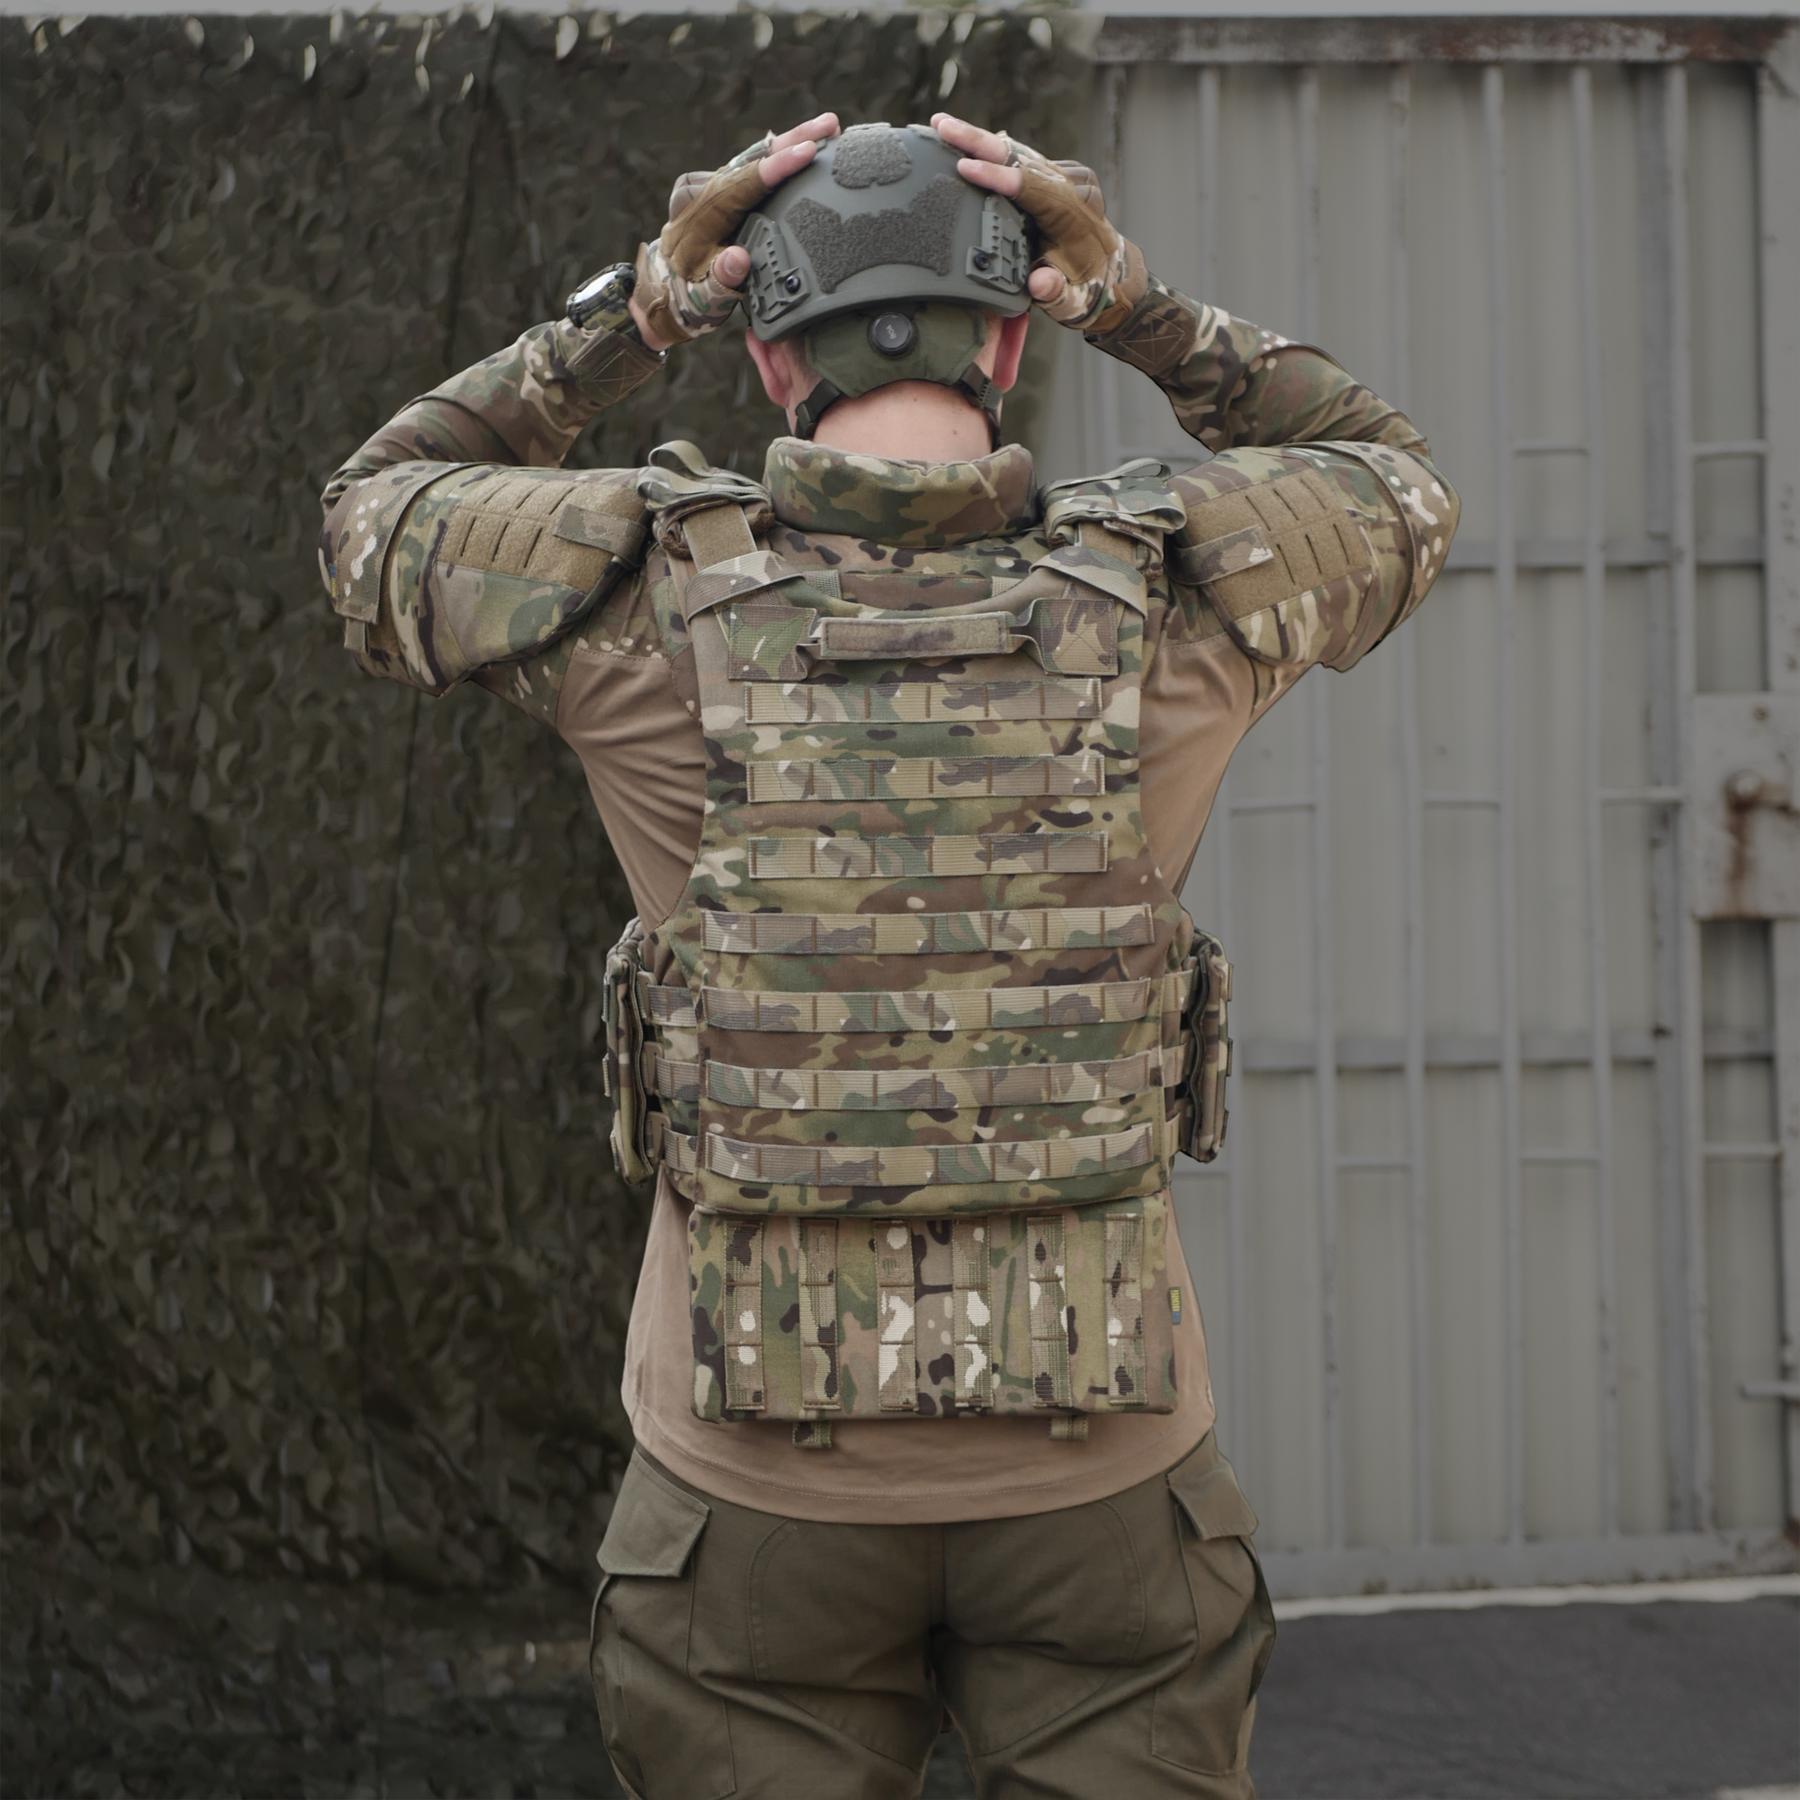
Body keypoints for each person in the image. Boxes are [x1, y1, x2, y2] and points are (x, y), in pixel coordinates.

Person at [319, 110, 1459, 1800]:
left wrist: (639, 310)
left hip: (753, 1498)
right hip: (1101, 1486)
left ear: (771, 359)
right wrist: (1134, 302)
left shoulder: (635, 601)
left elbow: (371, 508)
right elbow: (1392, 477)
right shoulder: (1178, 592)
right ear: (1010, 340)